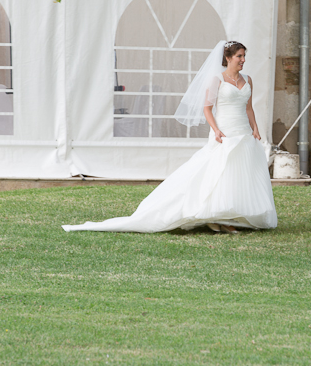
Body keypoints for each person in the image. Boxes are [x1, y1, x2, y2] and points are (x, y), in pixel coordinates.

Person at [63, 41, 277, 234]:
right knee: (218, 170)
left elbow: (249, 108)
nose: (243, 60)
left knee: (240, 171)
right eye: (239, 56)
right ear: (228, 58)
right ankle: (217, 216)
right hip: (224, 131)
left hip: (243, 132)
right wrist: (216, 130)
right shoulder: (217, 80)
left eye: (244, 56)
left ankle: (236, 214)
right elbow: (207, 108)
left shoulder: (247, 79)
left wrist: (255, 128)